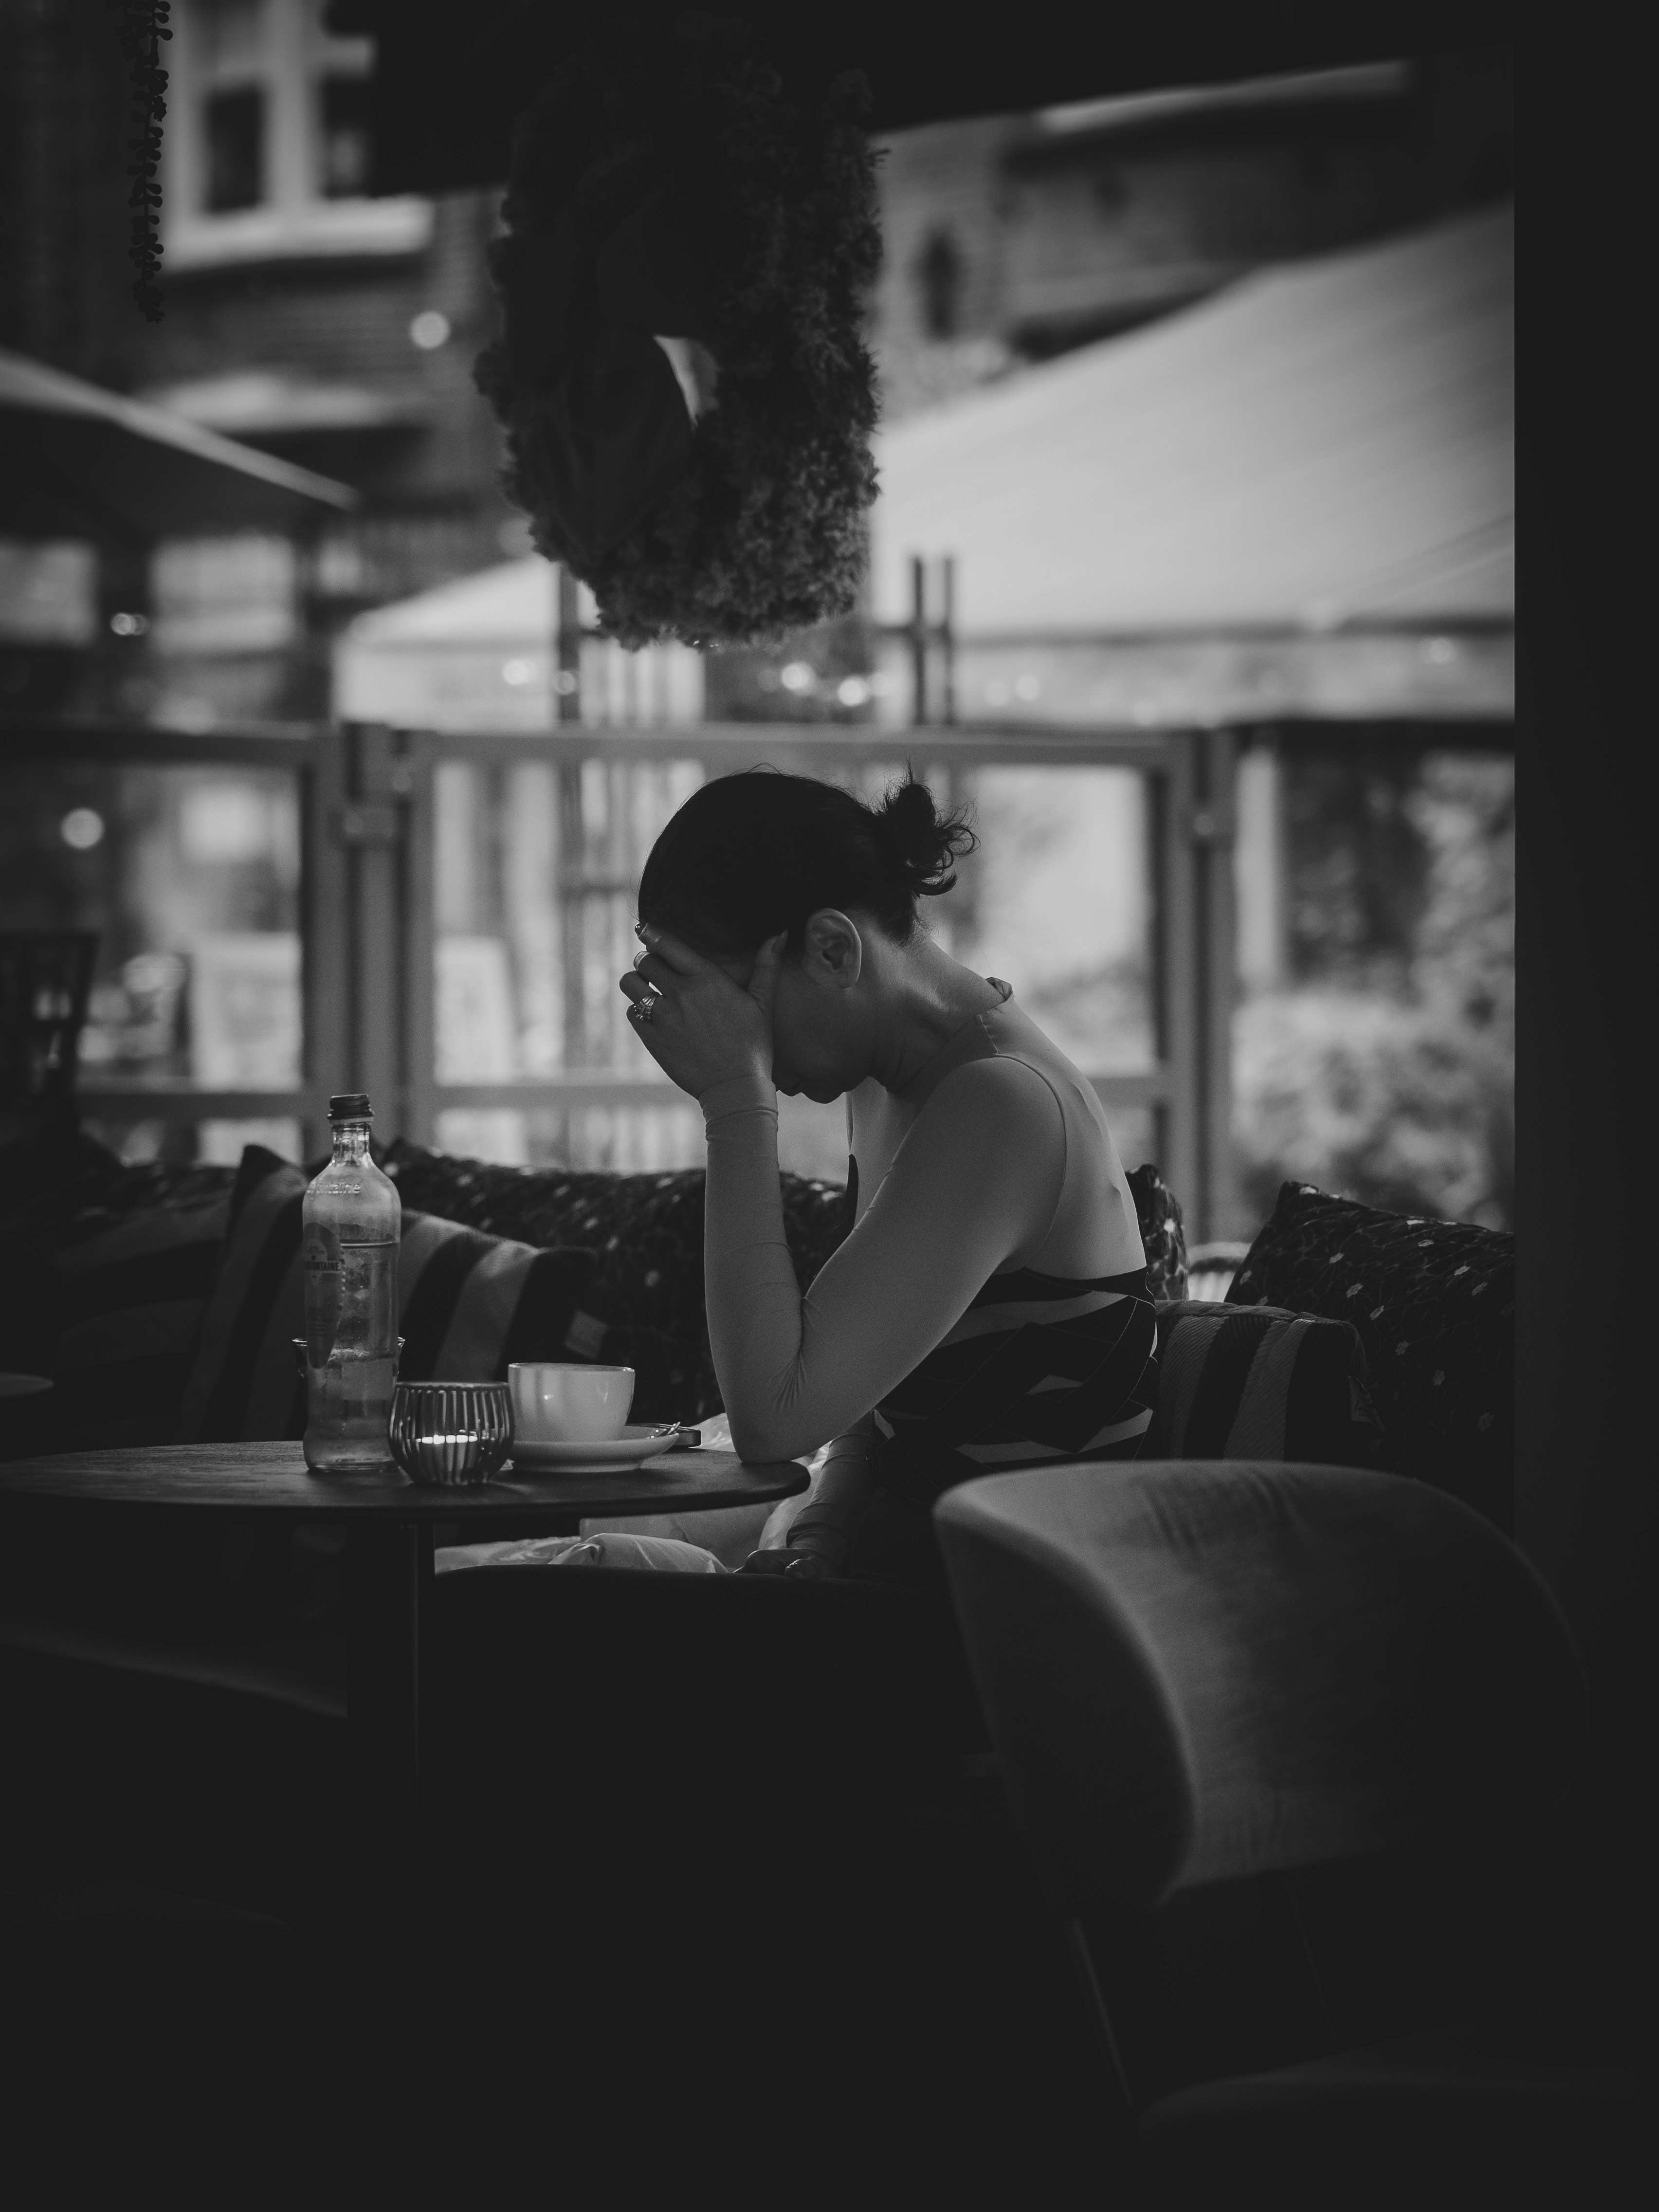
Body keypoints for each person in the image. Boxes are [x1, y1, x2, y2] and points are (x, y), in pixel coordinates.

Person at [619, 768, 1156, 1589]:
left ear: (834, 947)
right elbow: (871, 1399)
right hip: (909, 1576)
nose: (737, 1045)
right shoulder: (896, 1078)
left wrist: (734, 1100)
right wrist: (819, 1530)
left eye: (738, 1012)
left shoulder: (1001, 1102)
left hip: (1018, 1628)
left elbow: (774, 1412)